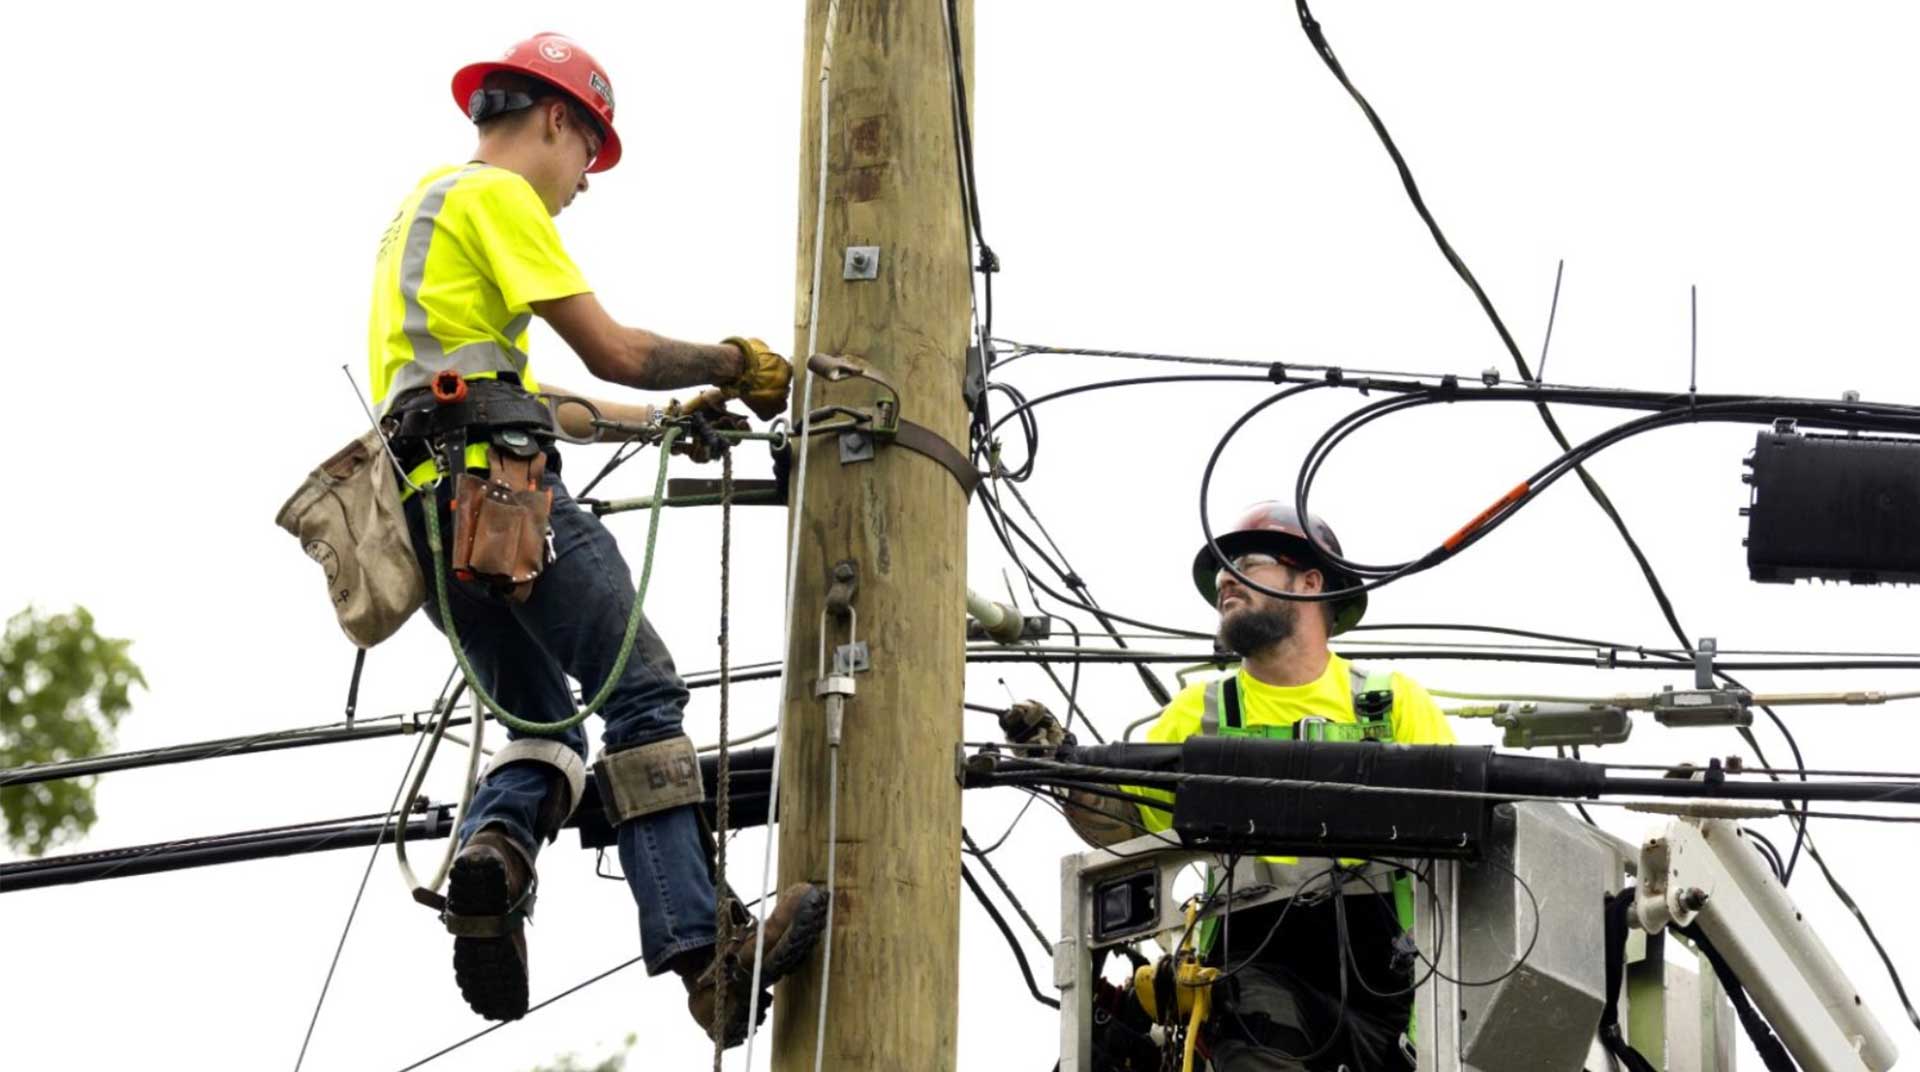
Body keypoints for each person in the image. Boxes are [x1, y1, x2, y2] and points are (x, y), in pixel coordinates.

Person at [366, 32, 825, 1046]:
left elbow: (544, 396)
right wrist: (739, 362)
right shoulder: (498, 198)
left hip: (432, 520)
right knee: (643, 693)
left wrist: (666, 420)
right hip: (507, 497)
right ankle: (706, 951)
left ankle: (492, 857)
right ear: (558, 121)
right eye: (588, 157)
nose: (582, 184)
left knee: (541, 729)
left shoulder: (422, 212)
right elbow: (611, 347)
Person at [1020, 502, 1456, 1071]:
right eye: (1221, 567)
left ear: (1310, 581)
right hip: (1255, 968)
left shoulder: (1387, 702)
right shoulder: (1201, 712)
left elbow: (1465, 828)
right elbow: (1131, 825)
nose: (1226, 577)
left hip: (1392, 986)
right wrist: (1071, 778)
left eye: (1245, 561)